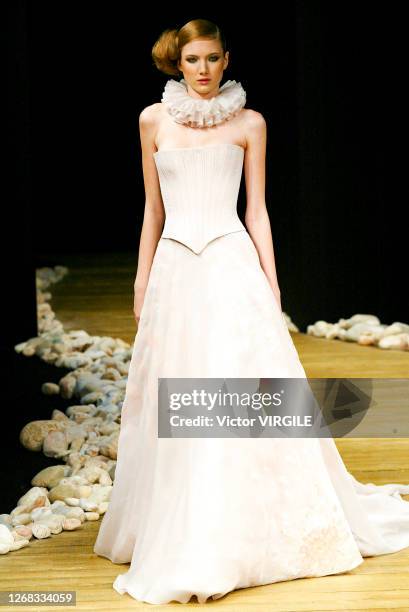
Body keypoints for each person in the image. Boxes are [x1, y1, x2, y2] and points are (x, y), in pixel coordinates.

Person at [93, 18, 409, 605]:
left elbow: (257, 210)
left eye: (213, 57)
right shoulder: (152, 120)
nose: (204, 69)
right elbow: (150, 211)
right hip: (175, 270)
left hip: (232, 264)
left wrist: (272, 281)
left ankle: (246, 524)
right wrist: (140, 280)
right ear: (176, 63)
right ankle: (175, 520)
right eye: (193, 60)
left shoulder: (250, 123)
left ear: (227, 59)